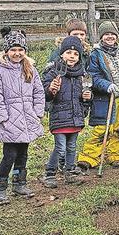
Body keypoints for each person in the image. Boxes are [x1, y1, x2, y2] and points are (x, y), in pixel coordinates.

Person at [0, 27, 45, 205]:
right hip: (9, 121)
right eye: (13, 49)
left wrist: (37, 112)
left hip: (27, 119)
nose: (17, 53)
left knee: (23, 154)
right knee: (9, 155)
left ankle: (20, 183)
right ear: (6, 51)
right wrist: (3, 117)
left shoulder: (30, 69)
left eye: (20, 49)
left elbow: (38, 92)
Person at [78, 21, 119, 170]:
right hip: (104, 99)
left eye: (112, 34)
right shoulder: (96, 54)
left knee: (118, 128)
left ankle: (116, 155)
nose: (110, 37)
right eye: (106, 34)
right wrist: (106, 85)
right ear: (101, 37)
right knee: (101, 129)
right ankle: (89, 157)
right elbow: (92, 76)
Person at [42, 36, 92, 188]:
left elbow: (84, 97)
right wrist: (51, 89)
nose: (72, 56)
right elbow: (45, 95)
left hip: (75, 117)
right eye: (68, 53)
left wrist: (87, 97)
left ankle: (70, 172)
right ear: (62, 54)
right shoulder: (53, 72)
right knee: (60, 148)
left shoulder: (82, 75)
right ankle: (50, 173)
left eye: (76, 54)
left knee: (72, 147)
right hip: (59, 117)